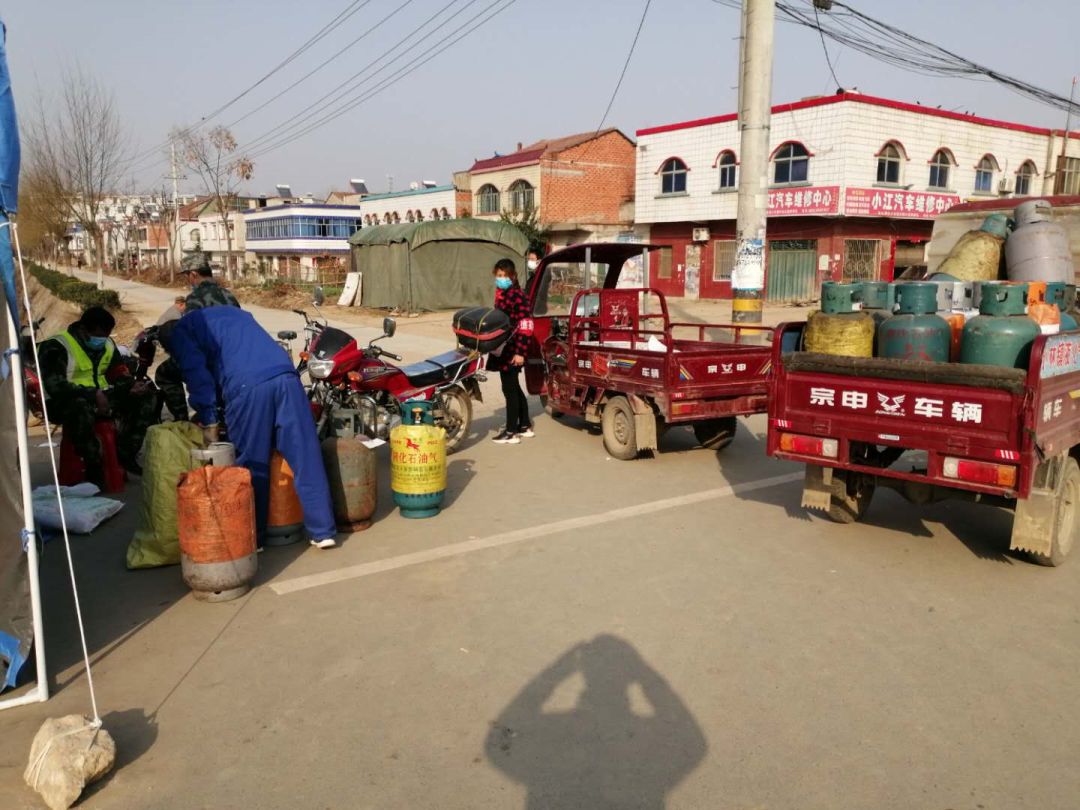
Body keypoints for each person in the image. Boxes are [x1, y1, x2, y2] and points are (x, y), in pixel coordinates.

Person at [158, 308, 338, 549]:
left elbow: (197, 376)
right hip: (286, 377)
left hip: (248, 388)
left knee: (252, 462)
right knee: (305, 455)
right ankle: (323, 531)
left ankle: (254, 538)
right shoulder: (232, 314)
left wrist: (209, 419)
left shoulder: (181, 332)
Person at [38, 306, 159, 478]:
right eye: (97, 335)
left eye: (105, 336)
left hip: (100, 397)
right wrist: (93, 394)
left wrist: (131, 385)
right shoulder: (56, 346)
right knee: (81, 408)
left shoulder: (107, 344)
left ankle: (125, 454)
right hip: (64, 402)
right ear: (82, 329)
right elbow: (55, 386)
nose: (101, 340)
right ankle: (94, 465)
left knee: (146, 397)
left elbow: (117, 371)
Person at [488, 258, 534, 445]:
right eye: (498, 276)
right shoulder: (503, 294)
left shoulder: (517, 296)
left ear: (512, 276)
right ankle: (524, 425)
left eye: (503, 276)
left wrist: (520, 352)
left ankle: (511, 432)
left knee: (509, 389)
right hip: (504, 348)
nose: (500, 279)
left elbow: (526, 325)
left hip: (513, 349)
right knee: (513, 387)